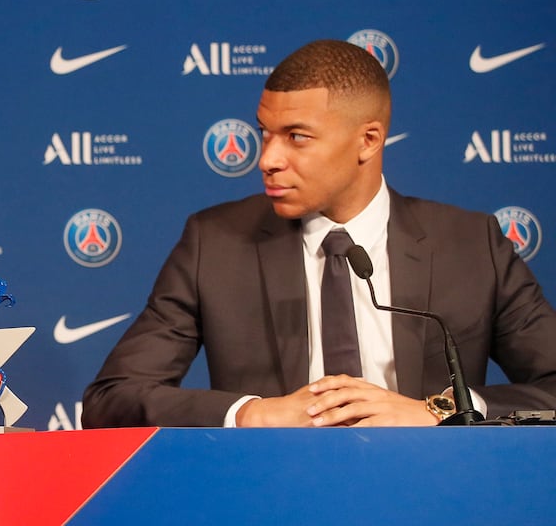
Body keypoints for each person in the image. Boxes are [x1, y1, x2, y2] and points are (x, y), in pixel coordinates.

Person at [83, 39, 556, 428]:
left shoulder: (472, 245)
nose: (268, 159)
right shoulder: (215, 244)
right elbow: (111, 399)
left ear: (368, 141)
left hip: (428, 492)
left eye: (297, 137)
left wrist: (440, 410)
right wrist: (253, 413)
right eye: (264, 133)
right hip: (274, 493)